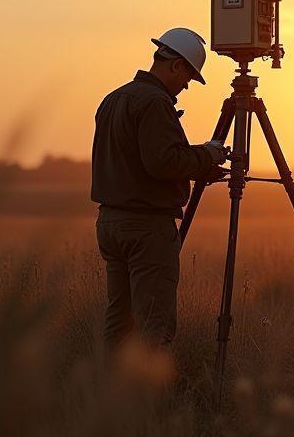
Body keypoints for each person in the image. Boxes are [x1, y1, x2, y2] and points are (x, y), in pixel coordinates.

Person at [90, 28, 229, 353]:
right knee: (155, 325)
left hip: (111, 223)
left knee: (119, 322)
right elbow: (162, 163)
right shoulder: (154, 103)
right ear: (175, 66)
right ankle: (149, 401)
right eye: (189, 77)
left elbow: (140, 162)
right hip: (146, 227)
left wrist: (196, 161)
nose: (186, 86)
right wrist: (207, 155)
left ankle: (109, 397)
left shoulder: (114, 98)